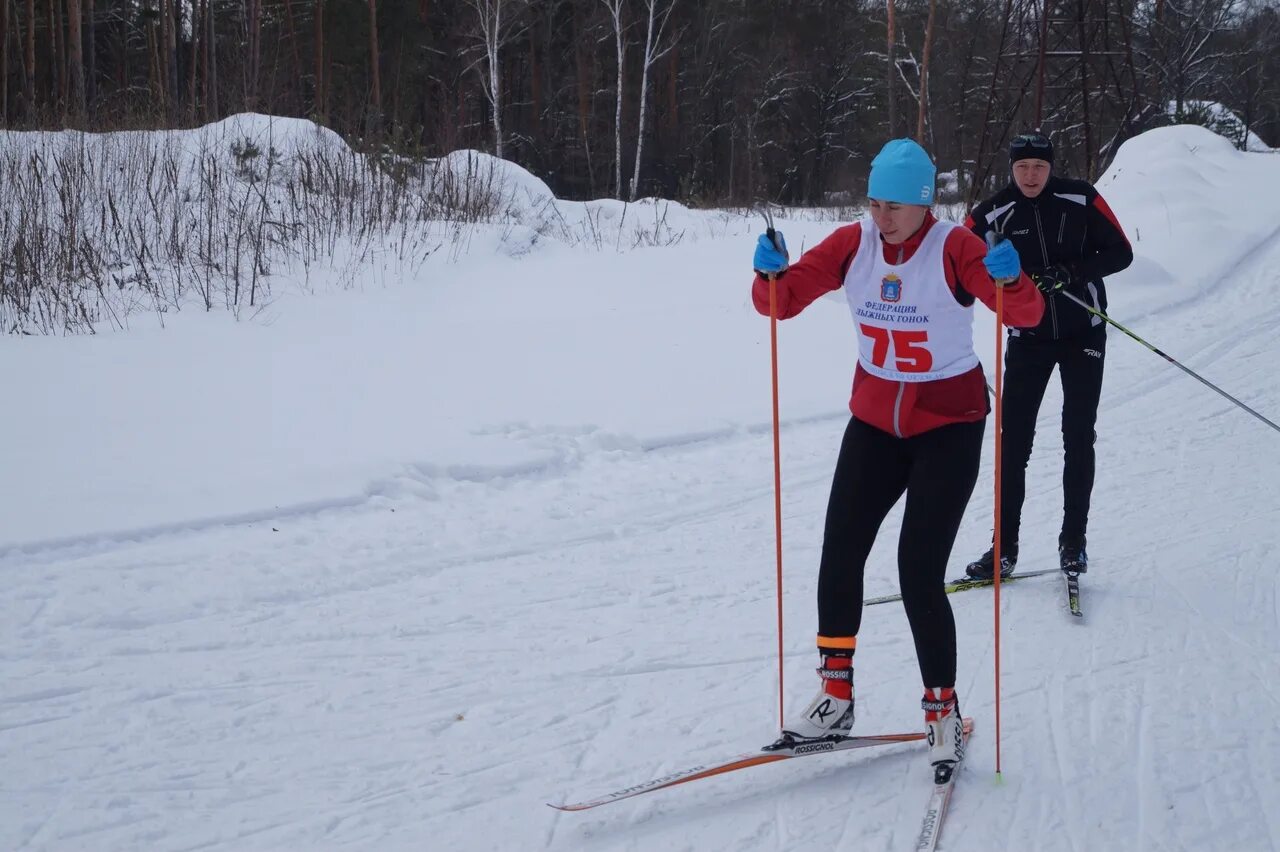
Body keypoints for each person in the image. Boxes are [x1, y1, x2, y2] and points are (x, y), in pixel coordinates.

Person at [749, 138, 1043, 778]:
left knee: (917, 569)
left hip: (950, 426)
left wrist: (1010, 277)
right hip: (875, 423)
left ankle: (942, 712)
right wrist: (770, 273)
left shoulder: (954, 247)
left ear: (924, 204)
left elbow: (1024, 311)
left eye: (896, 206)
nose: (882, 217)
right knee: (840, 549)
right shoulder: (853, 244)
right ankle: (835, 697)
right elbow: (779, 303)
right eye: (875, 202)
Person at [963, 131, 1133, 580]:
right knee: (1013, 444)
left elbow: (1121, 252)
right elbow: (955, 261)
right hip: (1028, 336)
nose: (1031, 175)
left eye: (1039, 167)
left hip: (1084, 331)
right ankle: (1004, 548)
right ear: (1011, 169)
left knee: (1078, 436)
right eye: (1023, 168)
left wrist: (1072, 272)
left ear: (1051, 167)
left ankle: (1073, 542)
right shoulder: (993, 213)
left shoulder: (1080, 197)